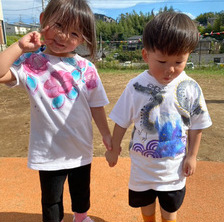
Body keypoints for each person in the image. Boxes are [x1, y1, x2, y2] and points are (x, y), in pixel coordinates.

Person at [0, 0, 112, 222]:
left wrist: (106, 134)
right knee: (51, 199)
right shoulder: (31, 63)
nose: (63, 37)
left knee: (81, 191)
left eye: (74, 33)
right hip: (48, 151)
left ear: (83, 39)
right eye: (59, 25)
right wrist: (20, 47)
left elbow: (96, 105)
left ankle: (80, 217)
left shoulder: (86, 68)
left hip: (80, 147)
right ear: (43, 20)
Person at [105, 12, 212, 222]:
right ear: (146, 55)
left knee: (170, 208)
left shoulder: (190, 87)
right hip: (142, 167)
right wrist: (114, 149)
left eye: (179, 61)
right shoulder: (136, 86)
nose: (170, 69)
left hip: (174, 170)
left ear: (188, 55)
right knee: (145, 203)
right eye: (162, 61)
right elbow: (121, 121)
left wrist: (192, 155)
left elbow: (196, 126)